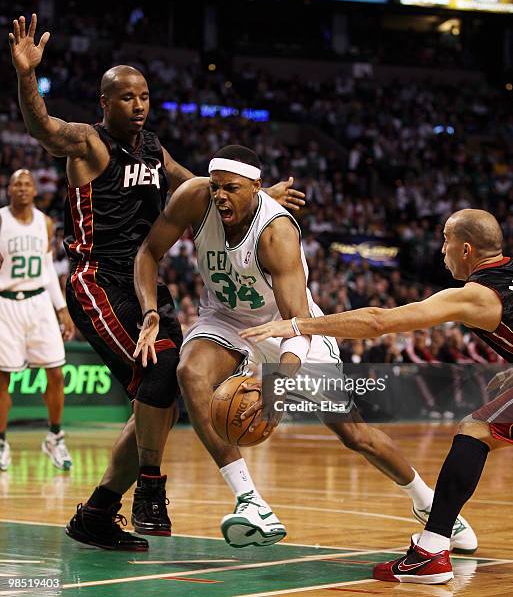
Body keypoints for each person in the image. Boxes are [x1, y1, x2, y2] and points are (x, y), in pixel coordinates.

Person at [9, 13, 304, 551]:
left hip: (145, 281)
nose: (138, 104)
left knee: (160, 395)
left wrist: (257, 202)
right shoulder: (89, 145)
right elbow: (42, 129)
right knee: (163, 372)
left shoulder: (152, 147)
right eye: (126, 97)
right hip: (99, 282)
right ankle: (149, 488)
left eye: (144, 95)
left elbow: (201, 187)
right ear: (105, 103)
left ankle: (97, 514)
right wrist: (28, 77)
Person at [134, 145, 475, 551]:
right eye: (216, 187)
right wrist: (151, 311)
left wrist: (276, 387)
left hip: (289, 327)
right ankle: (250, 501)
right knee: (189, 371)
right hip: (225, 318)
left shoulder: (277, 232)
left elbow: (298, 324)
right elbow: (149, 252)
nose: (221, 196)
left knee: (354, 434)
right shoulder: (195, 197)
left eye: (232, 188)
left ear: (257, 188)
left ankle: (432, 506)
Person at [241, 208, 511, 584]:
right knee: (476, 429)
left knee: (475, 432)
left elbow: (377, 321)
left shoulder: (477, 296)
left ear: (466, 250)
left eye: (446, 241)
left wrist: (299, 323)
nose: (441, 250)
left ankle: (431, 552)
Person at [0, 169, 74, 471]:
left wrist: (62, 309)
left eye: (27, 184)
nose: (21, 188)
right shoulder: (1, 220)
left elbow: (46, 271)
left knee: (56, 372)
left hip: (40, 302)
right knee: (2, 379)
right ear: (8, 190)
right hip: (6, 304)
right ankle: (2, 441)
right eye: (16, 183)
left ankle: (55, 437)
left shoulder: (45, 223)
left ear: (34, 190)